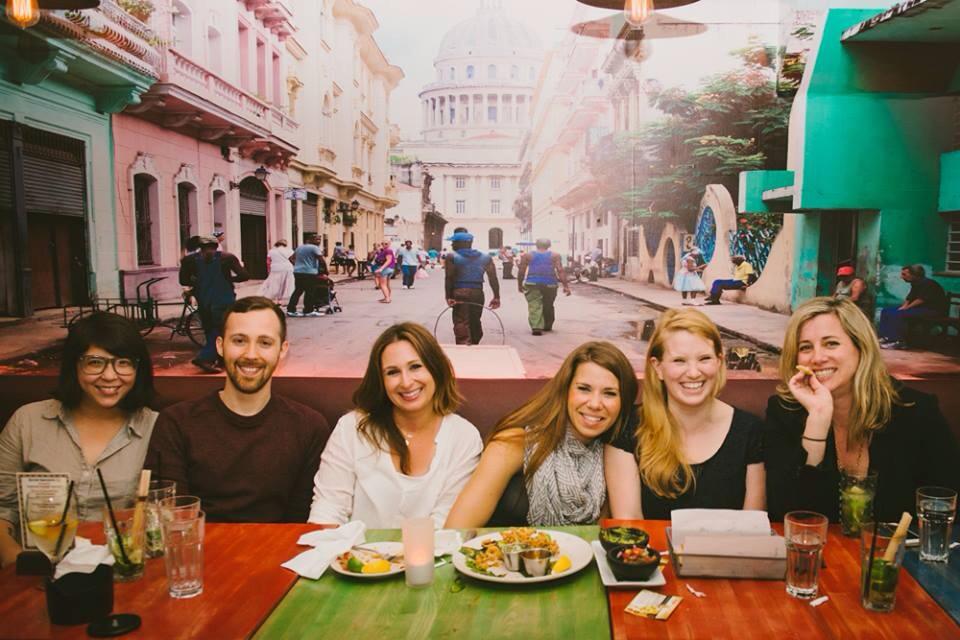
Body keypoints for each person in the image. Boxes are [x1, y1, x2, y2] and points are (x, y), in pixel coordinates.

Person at [764, 296, 959, 522]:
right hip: (824, 553)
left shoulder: (915, 411)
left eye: (831, 343)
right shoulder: (784, 411)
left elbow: (946, 500)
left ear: (861, 347)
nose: (817, 358)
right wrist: (817, 421)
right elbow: (786, 514)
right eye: (805, 347)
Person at [145, 297, 331, 523]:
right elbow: (173, 517)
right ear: (220, 346)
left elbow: (299, 522)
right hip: (199, 553)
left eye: (264, 343)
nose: (251, 354)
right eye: (240, 340)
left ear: (282, 351)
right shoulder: (176, 422)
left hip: (279, 554)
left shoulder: (309, 426)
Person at [0, 312, 157, 567]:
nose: (109, 376)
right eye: (95, 362)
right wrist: (16, 564)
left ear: (138, 369)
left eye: (123, 363)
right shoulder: (27, 422)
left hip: (117, 573)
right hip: (37, 574)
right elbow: (3, 510)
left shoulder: (157, 428)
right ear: (75, 365)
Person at [445, 341, 637, 528]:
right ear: (565, 390)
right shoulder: (514, 443)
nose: (595, 404)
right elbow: (457, 530)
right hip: (506, 557)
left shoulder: (616, 454)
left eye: (610, 393)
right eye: (584, 389)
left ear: (623, 401)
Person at [309, 323, 482, 528]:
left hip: (432, 556)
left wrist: (400, 559)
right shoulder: (352, 428)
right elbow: (328, 509)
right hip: (354, 557)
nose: (406, 382)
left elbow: (446, 523)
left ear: (436, 369)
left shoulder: (464, 436)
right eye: (392, 372)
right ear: (381, 381)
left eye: (415, 367)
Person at [605, 308, 765, 519]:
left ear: (719, 362)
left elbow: (752, 530)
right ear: (658, 367)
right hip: (651, 552)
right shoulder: (628, 428)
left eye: (704, 359)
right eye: (679, 360)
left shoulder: (750, 430)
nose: (693, 372)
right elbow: (630, 527)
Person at [179, 235, 249, 373]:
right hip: (223, 298)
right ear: (217, 246)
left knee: (209, 329)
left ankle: (220, 359)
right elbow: (244, 276)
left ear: (201, 247)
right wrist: (230, 278)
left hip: (203, 299)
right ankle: (205, 357)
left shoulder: (189, 260)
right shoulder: (227, 258)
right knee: (221, 329)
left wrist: (197, 282)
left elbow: (183, 280)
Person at [444, 231, 501, 345]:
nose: (452, 245)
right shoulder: (485, 257)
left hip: (459, 291)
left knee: (461, 321)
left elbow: (449, 277)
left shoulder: (452, 256)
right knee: (475, 319)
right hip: (477, 292)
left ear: (462, 243)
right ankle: (474, 342)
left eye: (454, 242)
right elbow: (493, 278)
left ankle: (464, 345)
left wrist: (448, 296)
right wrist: (496, 296)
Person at [877, 264, 948, 350]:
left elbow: (921, 299)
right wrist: (903, 307)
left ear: (914, 275)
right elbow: (909, 298)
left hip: (932, 311)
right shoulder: (915, 283)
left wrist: (906, 308)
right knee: (886, 311)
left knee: (898, 314)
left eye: (904, 274)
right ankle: (885, 337)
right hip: (920, 309)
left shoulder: (927, 283)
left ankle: (898, 341)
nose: (901, 277)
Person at [517, 238, 571, 336]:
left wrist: (519, 284)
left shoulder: (527, 255)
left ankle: (536, 327)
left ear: (536, 245)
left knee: (534, 304)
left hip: (532, 283)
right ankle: (547, 325)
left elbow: (521, 271)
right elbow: (560, 270)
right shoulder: (555, 256)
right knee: (548, 304)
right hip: (550, 283)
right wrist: (566, 286)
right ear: (549, 245)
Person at [286, 234, 326, 318]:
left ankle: (291, 310)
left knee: (298, 291)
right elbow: (321, 259)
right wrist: (325, 271)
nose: (319, 241)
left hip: (298, 272)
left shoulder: (300, 247)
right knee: (310, 292)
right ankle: (308, 310)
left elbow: (291, 258)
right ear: (310, 240)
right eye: (317, 239)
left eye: (319, 239)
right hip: (309, 273)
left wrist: (297, 265)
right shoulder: (314, 248)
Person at [259, 240, 295, 304]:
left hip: (276, 268)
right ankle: (280, 300)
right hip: (288, 268)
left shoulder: (272, 251)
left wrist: (269, 270)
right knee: (285, 284)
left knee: (275, 284)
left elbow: (268, 261)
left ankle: (272, 298)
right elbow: (293, 259)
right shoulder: (290, 251)